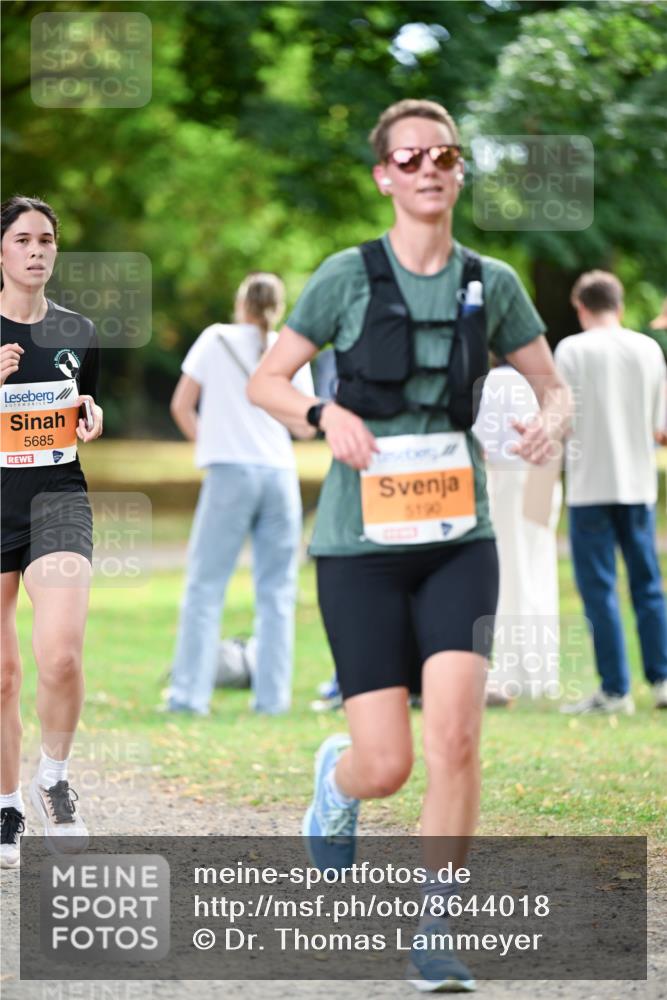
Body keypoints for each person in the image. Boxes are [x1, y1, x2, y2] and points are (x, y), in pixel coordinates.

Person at [248, 99, 570, 992]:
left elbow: (552, 384)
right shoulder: (345, 277)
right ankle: (336, 783)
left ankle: (437, 927)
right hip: (358, 546)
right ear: (386, 175)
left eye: (446, 155)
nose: (431, 168)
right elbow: (265, 381)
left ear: (459, 172)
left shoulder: (491, 281)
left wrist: (548, 421)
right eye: (412, 156)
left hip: (459, 539)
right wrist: (324, 412)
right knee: (385, 763)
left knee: (458, 740)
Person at [1, 195, 103, 868]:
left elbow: (81, 403)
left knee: (60, 654)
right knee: (1, 676)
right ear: (1, 252)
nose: (37, 250)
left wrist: (92, 411)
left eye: (46, 240)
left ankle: (53, 780)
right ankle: (5, 803)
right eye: (23, 240)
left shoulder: (77, 331)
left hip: (58, 498)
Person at [166, 272, 313, 717]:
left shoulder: (215, 339)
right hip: (279, 475)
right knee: (278, 592)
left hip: (229, 473)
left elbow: (180, 405)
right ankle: (272, 700)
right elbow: (305, 426)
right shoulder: (291, 348)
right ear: (278, 306)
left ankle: (189, 697)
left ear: (241, 303)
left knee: (205, 587)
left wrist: (209, 442)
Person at [556, 270, 667, 714]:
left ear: (581, 307)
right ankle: (662, 680)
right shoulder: (648, 348)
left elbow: (558, 418)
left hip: (588, 485)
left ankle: (615, 690)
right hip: (636, 483)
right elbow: (662, 429)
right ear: (619, 306)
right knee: (648, 585)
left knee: (599, 589)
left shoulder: (570, 350)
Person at [473, 359, 562, 704]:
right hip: (545, 477)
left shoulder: (495, 381)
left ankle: (514, 672)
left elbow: (480, 443)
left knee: (511, 576)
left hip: (509, 479)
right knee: (539, 573)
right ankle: (542, 673)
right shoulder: (543, 379)